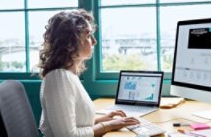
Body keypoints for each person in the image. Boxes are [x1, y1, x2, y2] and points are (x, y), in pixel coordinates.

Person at [38, 9, 140, 137]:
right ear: (70, 43)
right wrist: (110, 125)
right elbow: (67, 136)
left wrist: (101, 120)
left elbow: (76, 124)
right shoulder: (59, 78)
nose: (94, 41)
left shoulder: (69, 75)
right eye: (88, 35)